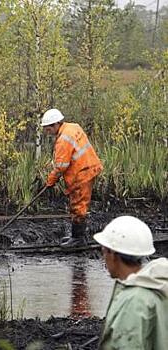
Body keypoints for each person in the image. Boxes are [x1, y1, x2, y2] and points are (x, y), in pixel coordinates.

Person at [93, 215, 168, 349]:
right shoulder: (160, 285)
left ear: (113, 254)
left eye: (103, 251)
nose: (103, 257)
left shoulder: (134, 301)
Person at [41, 108, 103, 247]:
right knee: (79, 203)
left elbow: (61, 166)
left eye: (48, 128)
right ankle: (77, 236)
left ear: (56, 124)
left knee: (78, 205)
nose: (47, 132)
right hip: (87, 167)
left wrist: (50, 181)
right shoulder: (73, 127)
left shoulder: (63, 139)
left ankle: (78, 239)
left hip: (82, 172)